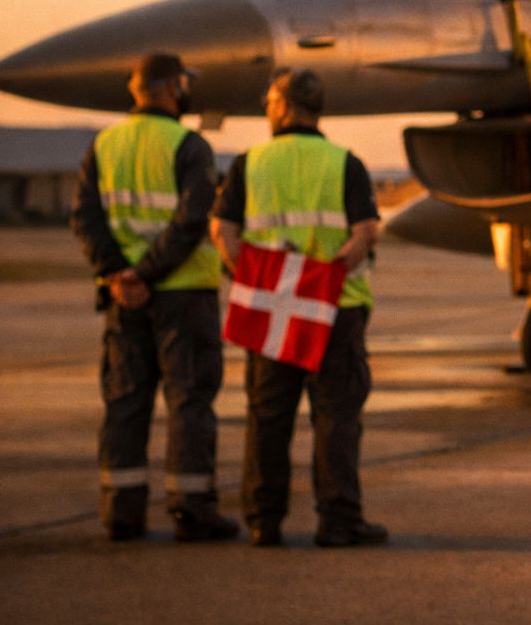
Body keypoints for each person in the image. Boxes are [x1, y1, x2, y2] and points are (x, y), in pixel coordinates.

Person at [209, 67, 386, 548]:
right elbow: (364, 233)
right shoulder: (344, 163)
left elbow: (222, 232)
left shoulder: (251, 163)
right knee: (336, 416)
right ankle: (338, 521)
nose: (267, 110)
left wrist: (253, 278)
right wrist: (325, 278)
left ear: (285, 107)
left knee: (267, 415)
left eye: (269, 102)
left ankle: (263, 521)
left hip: (270, 308)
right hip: (335, 309)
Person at [69, 52, 239, 542]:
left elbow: (84, 219)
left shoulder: (104, 145)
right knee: (188, 401)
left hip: (124, 299)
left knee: (124, 401)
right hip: (183, 296)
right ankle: (191, 509)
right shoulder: (189, 145)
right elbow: (191, 220)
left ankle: (121, 512)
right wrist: (146, 273)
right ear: (173, 88)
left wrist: (119, 275)